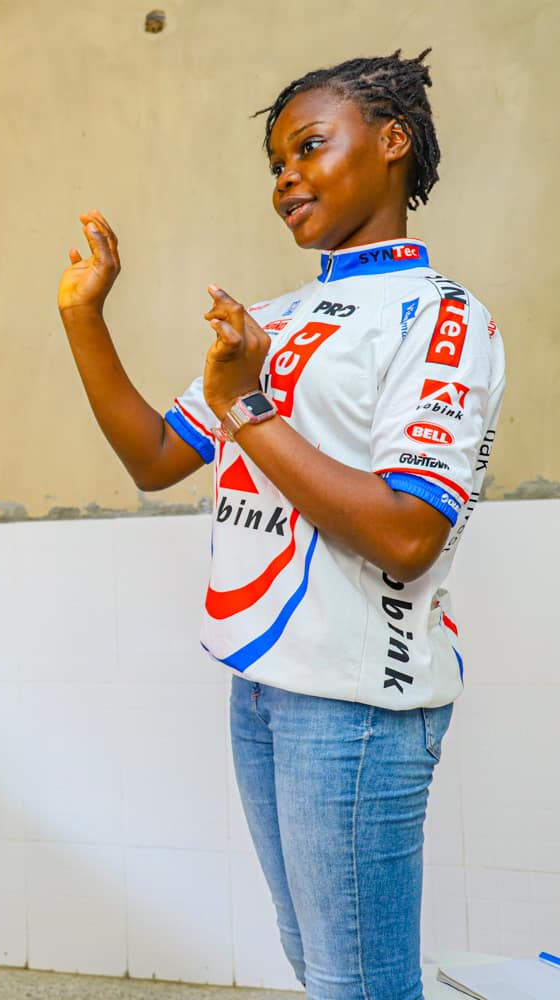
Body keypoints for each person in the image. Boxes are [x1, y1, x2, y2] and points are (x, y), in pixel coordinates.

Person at [57, 51, 505, 1000]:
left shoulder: (442, 315)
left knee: (357, 987)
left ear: (392, 142)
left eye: (308, 146)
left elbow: (407, 533)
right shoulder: (273, 318)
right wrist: (85, 321)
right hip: (260, 686)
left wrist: (250, 408)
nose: (285, 177)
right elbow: (153, 459)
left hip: (357, 702)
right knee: (316, 969)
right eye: (275, 164)